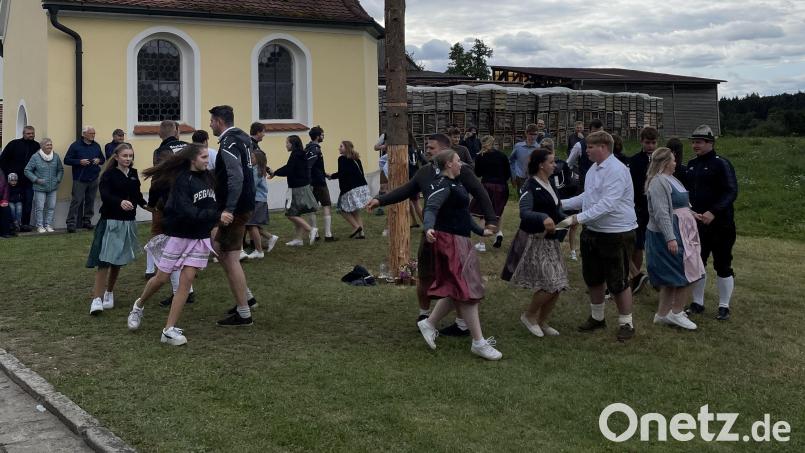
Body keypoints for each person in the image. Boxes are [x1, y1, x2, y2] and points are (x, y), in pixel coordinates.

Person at [366, 133, 498, 336]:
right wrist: (380, 200)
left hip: (456, 234)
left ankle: (462, 324)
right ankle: (424, 315)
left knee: (460, 281)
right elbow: (406, 190)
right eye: (427, 147)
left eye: (432, 148)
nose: (427, 150)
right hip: (432, 233)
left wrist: (490, 220)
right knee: (426, 274)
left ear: (445, 152)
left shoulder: (460, 170)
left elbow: (480, 193)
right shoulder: (424, 172)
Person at [127, 144, 219, 345]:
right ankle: (139, 306)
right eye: (203, 156)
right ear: (192, 160)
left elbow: (213, 204)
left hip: (199, 238)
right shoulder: (181, 181)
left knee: (186, 283)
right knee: (161, 278)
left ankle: (168, 330)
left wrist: (217, 215)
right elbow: (187, 211)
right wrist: (216, 215)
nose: (207, 159)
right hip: (179, 236)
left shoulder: (209, 177)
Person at [416, 149, 501, 360]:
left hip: (461, 242)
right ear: (448, 165)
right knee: (468, 292)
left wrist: (481, 231)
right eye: (457, 160)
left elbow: (462, 214)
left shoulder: (457, 184)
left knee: (458, 289)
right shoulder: (442, 185)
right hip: (450, 243)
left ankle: (429, 323)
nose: (461, 163)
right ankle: (479, 342)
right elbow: (430, 209)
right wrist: (428, 228)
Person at [558, 130, 638, 342]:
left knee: (618, 280)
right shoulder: (594, 168)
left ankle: (626, 323)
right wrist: (562, 204)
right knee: (592, 277)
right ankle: (597, 318)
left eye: (590, 147)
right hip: (593, 232)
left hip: (616, 232)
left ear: (603, 147)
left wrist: (577, 219)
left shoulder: (616, 170)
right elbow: (589, 196)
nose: (586, 151)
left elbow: (608, 204)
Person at [502, 147, 568, 337]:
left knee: (559, 285)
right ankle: (529, 316)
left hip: (551, 241)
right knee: (549, 283)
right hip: (535, 241)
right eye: (551, 162)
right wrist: (542, 217)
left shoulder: (551, 183)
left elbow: (556, 210)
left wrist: (568, 219)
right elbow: (525, 212)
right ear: (541, 165)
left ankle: (542, 321)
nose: (555, 165)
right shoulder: (530, 185)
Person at [208, 105, 258, 326]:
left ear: (219, 121)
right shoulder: (243, 138)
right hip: (243, 203)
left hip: (235, 207)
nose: (210, 125)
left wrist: (228, 208)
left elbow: (236, 176)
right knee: (218, 248)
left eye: (211, 121)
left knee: (229, 256)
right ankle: (246, 297)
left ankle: (244, 312)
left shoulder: (229, 142)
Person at [645, 148, 704, 330]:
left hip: (682, 230)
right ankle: (676, 312)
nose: (675, 163)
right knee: (684, 271)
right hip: (669, 232)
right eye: (672, 160)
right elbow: (662, 212)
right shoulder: (658, 182)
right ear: (664, 162)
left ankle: (662, 314)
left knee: (672, 277)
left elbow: (680, 205)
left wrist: (692, 214)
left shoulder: (672, 179)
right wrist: (670, 238)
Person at [684, 125, 738, 321]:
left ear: (710, 143)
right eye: (693, 141)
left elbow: (731, 191)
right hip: (697, 225)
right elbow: (686, 193)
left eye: (698, 142)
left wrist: (713, 212)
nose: (694, 145)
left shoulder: (721, 164)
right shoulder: (691, 164)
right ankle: (697, 302)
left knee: (723, 265)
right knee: (697, 264)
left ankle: (724, 305)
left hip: (721, 225)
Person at [87, 143, 147, 315]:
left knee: (117, 260)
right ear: (116, 157)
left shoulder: (134, 174)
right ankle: (96, 299)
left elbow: (137, 196)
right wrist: (119, 202)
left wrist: (149, 207)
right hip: (111, 221)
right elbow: (105, 195)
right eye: (125, 155)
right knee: (104, 261)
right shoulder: (108, 175)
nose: (128, 159)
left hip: (128, 222)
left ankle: (109, 293)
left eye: (130, 156)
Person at [566, 119, 605, 261]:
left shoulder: (605, 148)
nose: (599, 135)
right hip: (582, 186)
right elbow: (568, 164)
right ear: (590, 131)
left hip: (600, 188)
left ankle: (589, 249)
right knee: (575, 221)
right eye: (596, 132)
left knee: (594, 219)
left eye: (601, 132)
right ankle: (573, 250)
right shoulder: (579, 146)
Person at [629, 127, 660, 295]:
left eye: (653, 142)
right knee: (637, 244)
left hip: (657, 208)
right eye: (647, 142)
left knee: (656, 245)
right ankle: (636, 279)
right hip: (639, 208)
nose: (650, 146)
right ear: (641, 141)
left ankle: (658, 279)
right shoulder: (634, 160)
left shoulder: (661, 160)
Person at [272, 135, 318, 246]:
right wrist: (275, 172)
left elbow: (289, 169)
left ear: (292, 144)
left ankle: (310, 229)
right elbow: (290, 167)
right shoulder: (300, 154)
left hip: (297, 188)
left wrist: (275, 173)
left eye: (287, 143)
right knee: (297, 213)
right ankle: (298, 239)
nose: (286, 145)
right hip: (301, 186)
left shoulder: (296, 154)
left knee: (291, 213)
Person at [470, 135, 510, 251]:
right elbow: (507, 173)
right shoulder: (502, 155)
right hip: (502, 186)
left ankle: (481, 244)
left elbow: (478, 173)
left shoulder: (480, 156)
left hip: (487, 185)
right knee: (499, 211)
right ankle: (499, 233)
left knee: (483, 214)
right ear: (493, 143)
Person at [64, 126, 105, 232]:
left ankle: (87, 221)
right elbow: (67, 160)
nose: (93, 135)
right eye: (91, 133)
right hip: (80, 178)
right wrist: (79, 162)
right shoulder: (75, 146)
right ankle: (71, 223)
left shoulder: (96, 145)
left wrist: (98, 160)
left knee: (90, 200)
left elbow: (103, 159)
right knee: (76, 200)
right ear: (84, 134)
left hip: (93, 178)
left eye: (94, 133)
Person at [0, 125, 40, 231]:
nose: (31, 135)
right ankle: (11, 224)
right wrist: (9, 174)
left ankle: (25, 224)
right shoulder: (14, 144)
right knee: (12, 203)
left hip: (28, 180)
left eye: (32, 133)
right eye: (28, 133)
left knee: (28, 201)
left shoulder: (37, 146)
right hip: (13, 181)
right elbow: (3, 160)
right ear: (23, 134)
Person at [328, 140, 371, 238]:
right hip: (361, 186)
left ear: (347, 148)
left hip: (350, 188)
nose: (339, 148)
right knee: (355, 211)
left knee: (341, 209)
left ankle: (356, 227)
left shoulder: (342, 159)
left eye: (341, 146)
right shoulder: (356, 159)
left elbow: (342, 174)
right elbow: (361, 173)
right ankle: (361, 234)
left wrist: (331, 176)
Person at [24, 138, 64, 233]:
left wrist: (58, 179)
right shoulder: (35, 157)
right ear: (42, 146)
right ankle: (40, 226)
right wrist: (36, 179)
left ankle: (48, 225)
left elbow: (60, 170)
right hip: (39, 187)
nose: (50, 146)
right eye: (47, 145)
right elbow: (27, 170)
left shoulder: (56, 156)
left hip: (53, 187)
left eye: (50, 144)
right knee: (40, 207)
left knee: (51, 207)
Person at [244, 145, 277, 259]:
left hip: (256, 200)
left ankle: (259, 251)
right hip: (257, 200)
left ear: (258, 160)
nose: (250, 160)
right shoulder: (257, 169)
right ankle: (270, 237)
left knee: (251, 224)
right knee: (251, 225)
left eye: (252, 158)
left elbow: (252, 185)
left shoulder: (256, 170)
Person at [306, 125, 336, 241]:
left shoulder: (308, 148)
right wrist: (310, 182)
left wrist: (325, 173)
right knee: (326, 205)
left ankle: (315, 234)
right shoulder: (315, 149)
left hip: (316, 180)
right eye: (322, 135)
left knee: (312, 208)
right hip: (318, 183)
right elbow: (309, 166)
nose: (323, 137)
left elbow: (315, 167)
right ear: (318, 137)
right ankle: (328, 235)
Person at [510, 123, 542, 193]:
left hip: (534, 178)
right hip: (520, 177)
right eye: (531, 134)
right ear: (526, 133)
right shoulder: (518, 147)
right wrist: (513, 175)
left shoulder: (539, 148)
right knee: (522, 198)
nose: (533, 137)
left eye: (535, 134)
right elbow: (511, 161)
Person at [0, 169, 15, 237]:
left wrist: (4, 200)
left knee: (6, 209)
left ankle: (6, 232)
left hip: (1, 199)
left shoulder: (1, 173)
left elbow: (5, 187)